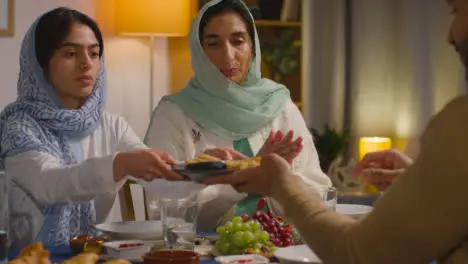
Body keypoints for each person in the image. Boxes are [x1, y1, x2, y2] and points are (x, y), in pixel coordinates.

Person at [205, 0, 468, 262]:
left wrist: (280, 184)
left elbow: (357, 251)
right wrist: (421, 187)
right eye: (214, 43)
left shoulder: (459, 126)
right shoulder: (176, 111)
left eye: (456, 11)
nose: (449, 35)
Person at [0, 7, 182, 249]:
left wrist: (207, 168)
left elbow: (156, 177)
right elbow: (51, 184)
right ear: (40, 63)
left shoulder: (111, 125)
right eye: (70, 54)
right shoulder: (18, 127)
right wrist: (118, 164)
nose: (86, 64)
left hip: (91, 255)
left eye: (94, 54)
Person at [143, 0, 331, 231]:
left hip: (282, 246)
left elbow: (321, 192)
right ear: (199, 51)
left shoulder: (280, 105)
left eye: (238, 41)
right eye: (214, 44)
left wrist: (279, 179)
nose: (228, 54)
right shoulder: (173, 113)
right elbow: (164, 208)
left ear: (253, 46)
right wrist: (241, 179)